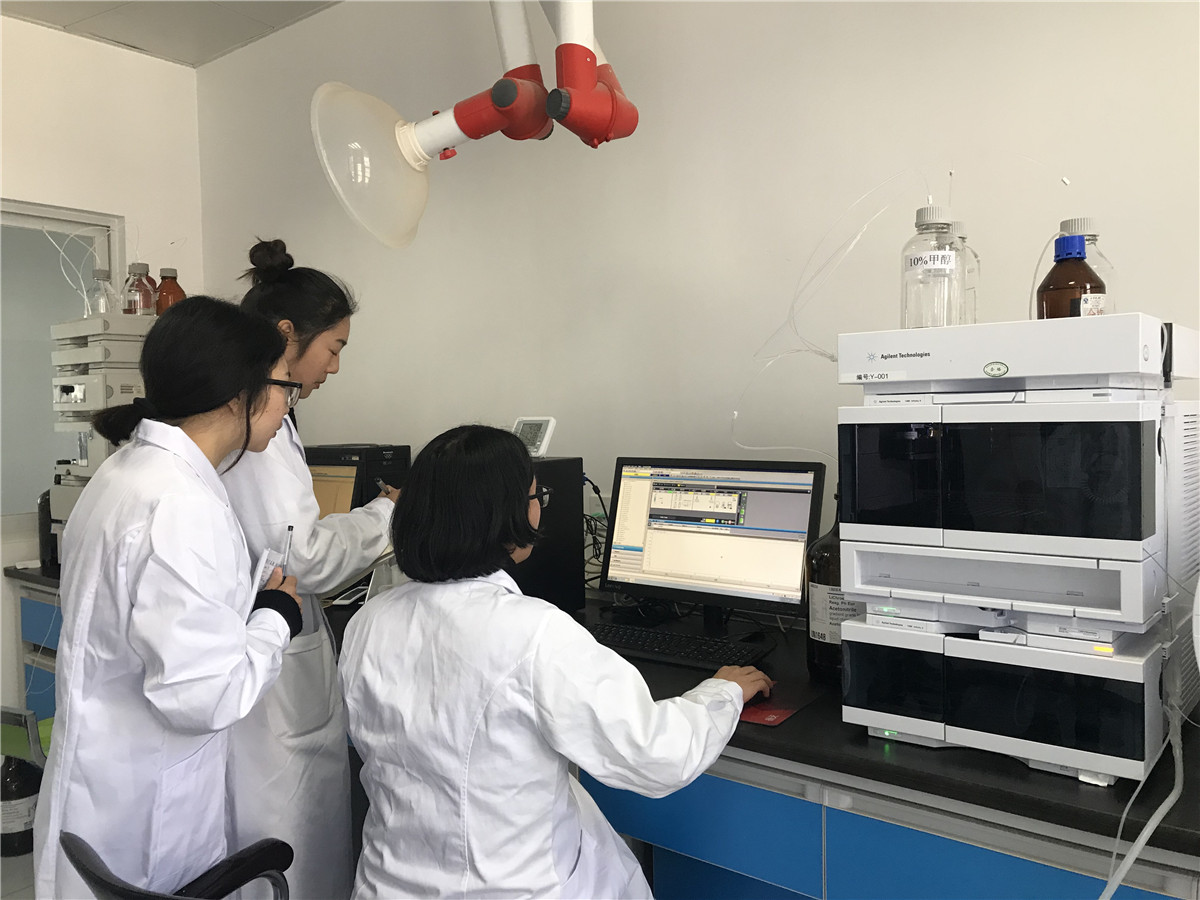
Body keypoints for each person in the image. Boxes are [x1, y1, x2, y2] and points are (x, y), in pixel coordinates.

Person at [340, 425, 773, 899]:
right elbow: (655, 754)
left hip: (388, 884)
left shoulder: (369, 620)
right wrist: (722, 692)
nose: (540, 506)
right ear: (504, 514)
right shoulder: (534, 632)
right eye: (535, 495)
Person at [32, 297, 304, 898]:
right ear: (239, 395)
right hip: (149, 812)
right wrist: (275, 618)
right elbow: (203, 697)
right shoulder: (183, 505)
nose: (288, 406)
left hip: (104, 784)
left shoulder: (125, 471)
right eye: (285, 387)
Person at [220, 239, 397, 899]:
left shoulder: (274, 423)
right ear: (288, 334)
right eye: (335, 347)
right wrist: (387, 515)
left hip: (274, 656)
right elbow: (307, 557)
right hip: (273, 688)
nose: (337, 366)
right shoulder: (260, 435)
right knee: (290, 854)